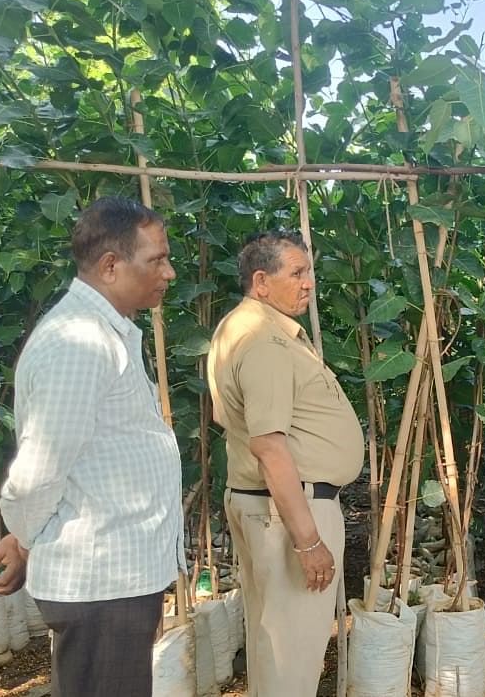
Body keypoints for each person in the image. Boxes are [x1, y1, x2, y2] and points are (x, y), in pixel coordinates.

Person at [0, 196, 183, 697]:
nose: (170, 272)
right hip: (101, 581)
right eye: (157, 259)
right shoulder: (79, 342)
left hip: (114, 579)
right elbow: (40, 469)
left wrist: (24, 536)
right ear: (111, 265)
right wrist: (24, 533)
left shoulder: (101, 333)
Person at [207, 230, 364, 696]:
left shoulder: (242, 328)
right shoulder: (263, 342)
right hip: (290, 509)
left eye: (308, 271)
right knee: (291, 658)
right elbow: (270, 446)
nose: (308, 283)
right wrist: (308, 540)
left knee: (273, 648)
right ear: (261, 281)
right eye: (297, 273)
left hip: (272, 505)